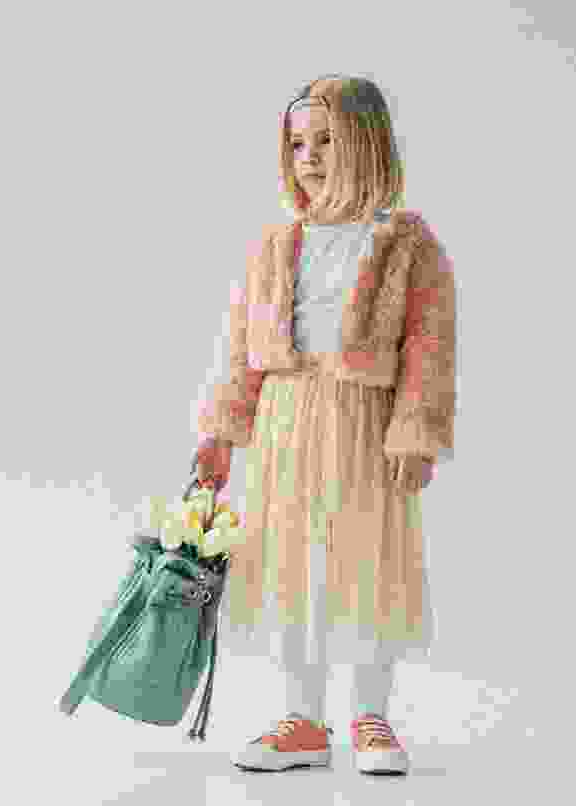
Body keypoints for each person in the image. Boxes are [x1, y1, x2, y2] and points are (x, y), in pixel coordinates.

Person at [191, 74, 455, 775]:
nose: (308, 157)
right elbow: (242, 347)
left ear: (367, 144)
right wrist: (220, 435)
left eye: (327, 141)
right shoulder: (277, 243)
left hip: (366, 419)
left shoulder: (406, 243)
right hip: (284, 418)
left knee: (370, 560)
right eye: (297, 144)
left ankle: (370, 712)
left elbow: (429, 346)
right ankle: (301, 717)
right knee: (288, 565)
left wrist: (416, 432)